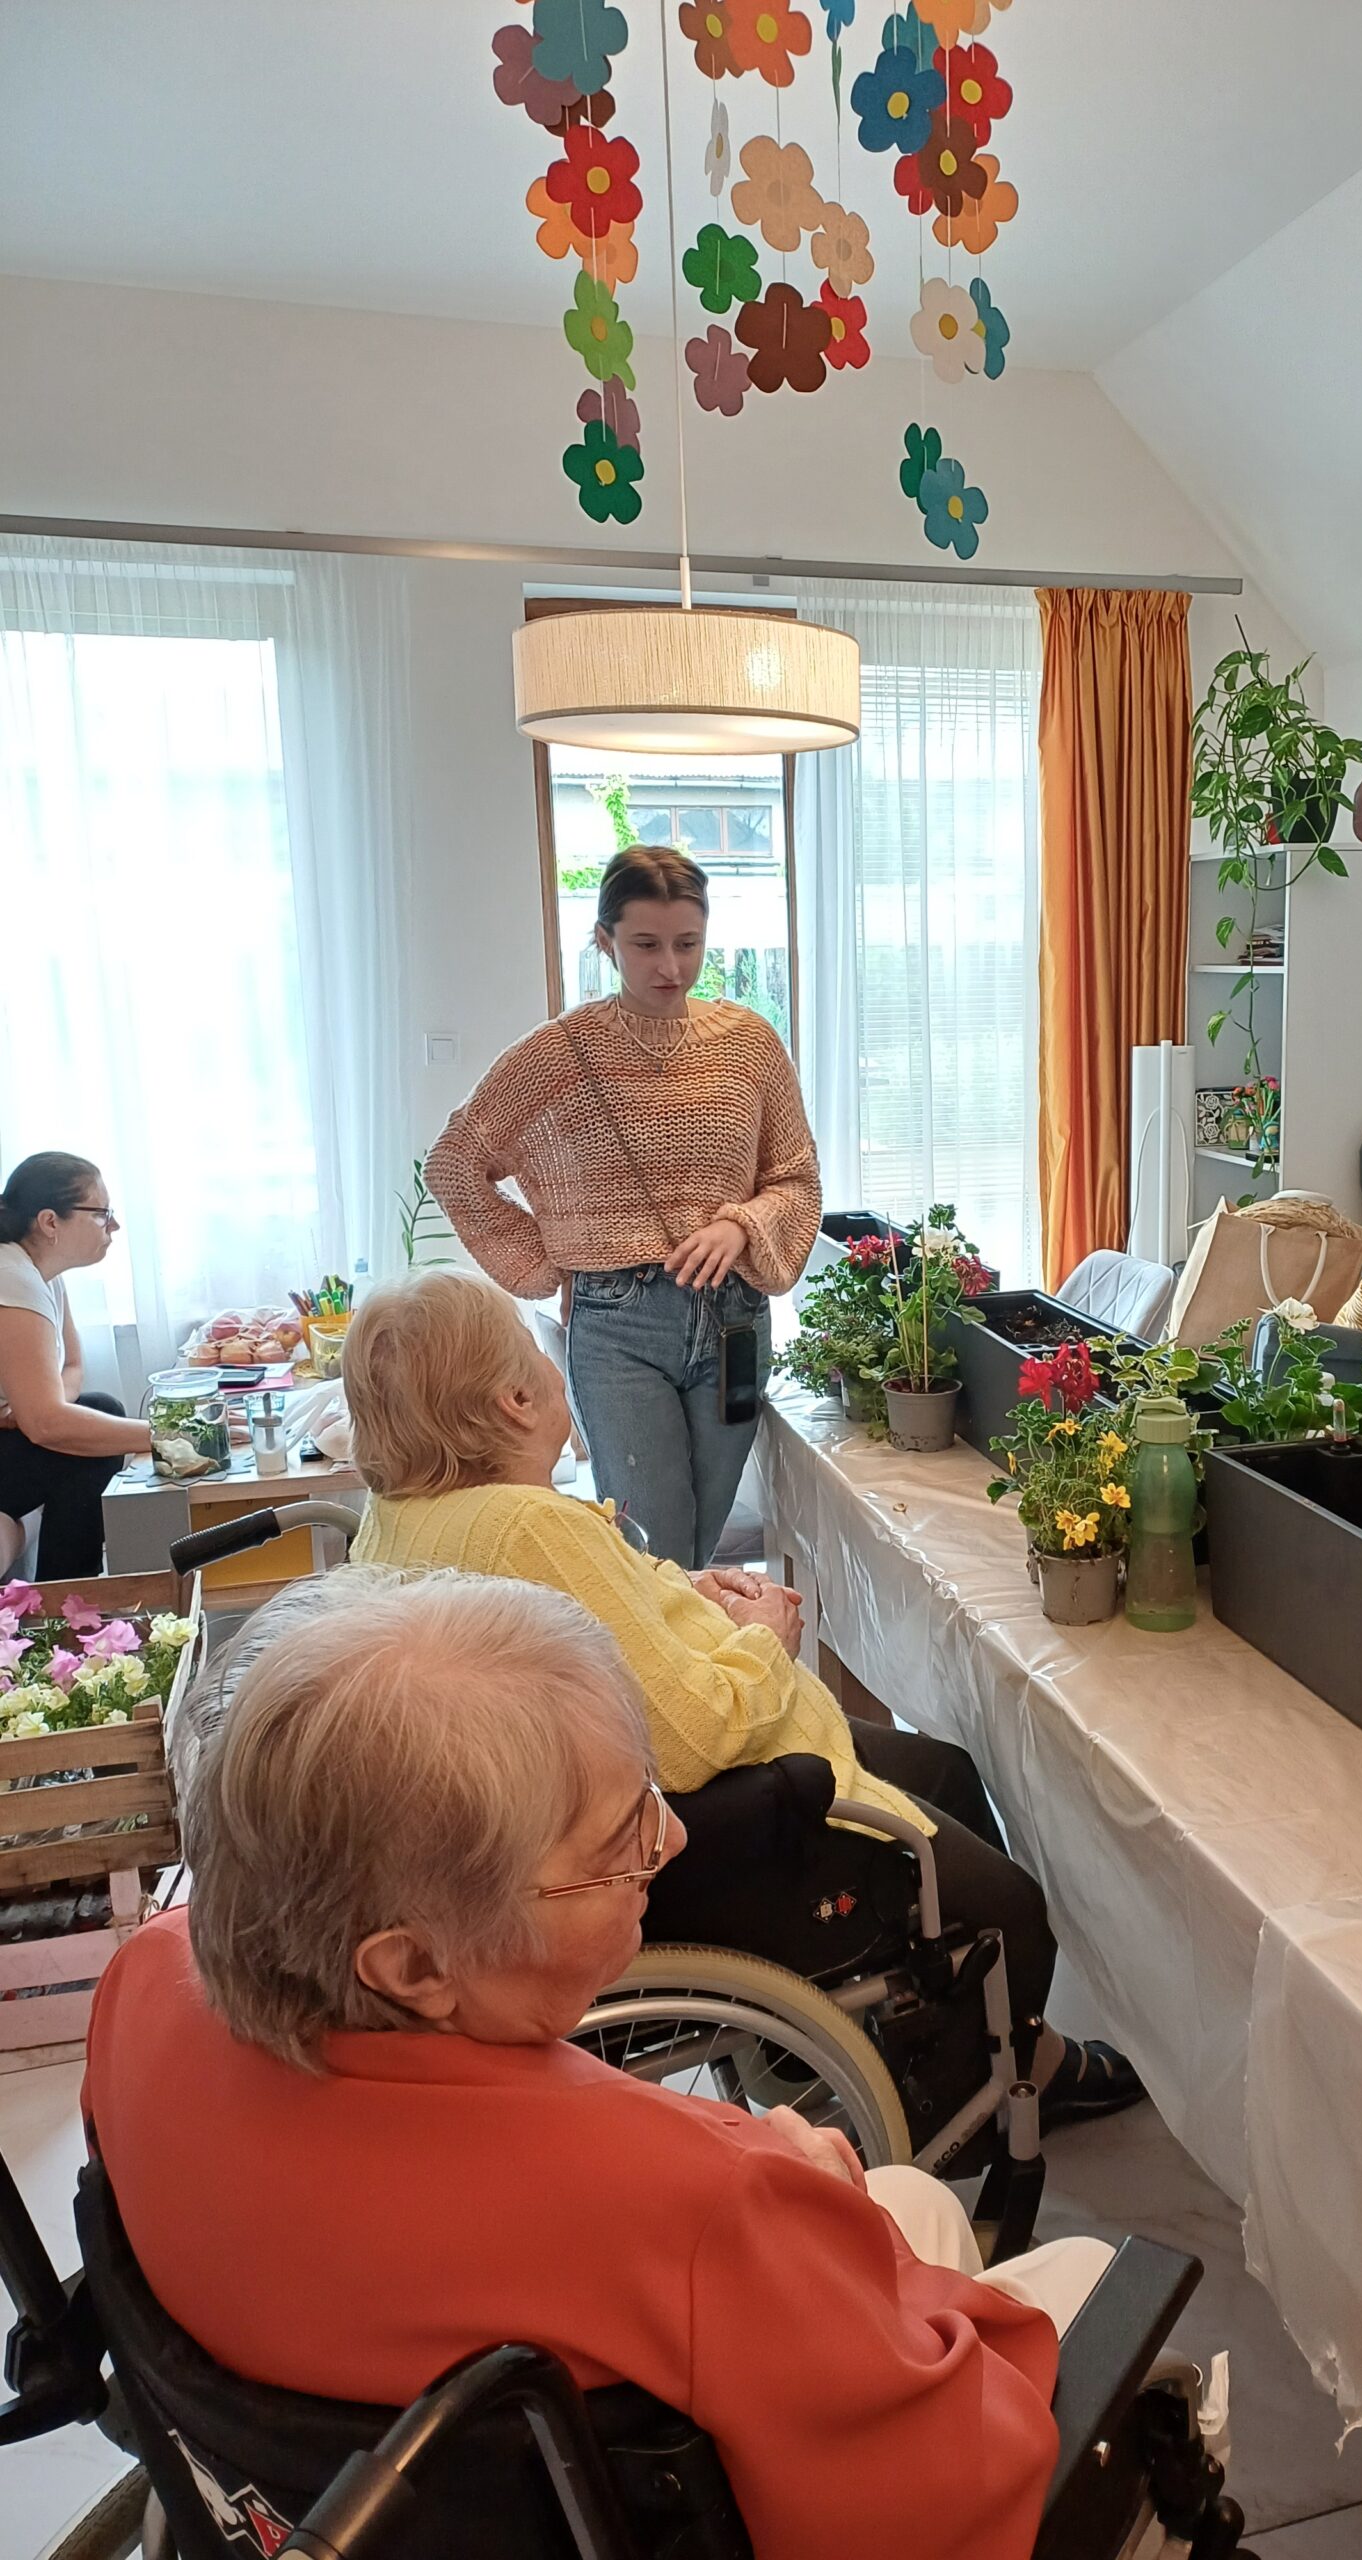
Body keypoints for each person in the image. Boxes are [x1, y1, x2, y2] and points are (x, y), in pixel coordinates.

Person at [83, 1571, 1126, 2560]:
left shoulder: (139, 1988)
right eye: (616, 1842)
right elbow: (929, 2503)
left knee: (913, 2201)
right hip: (676, 2467)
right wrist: (800, 2215)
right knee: (1080, 2271)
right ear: (414, 1965)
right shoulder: (699, 2205)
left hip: (313, 2479)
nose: (671, 1842)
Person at [342, 1268, 1143, 2126]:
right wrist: (767, 1639)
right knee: (1008, 1906)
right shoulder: (531, 1526)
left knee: (946, 1770)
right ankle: (980, 2109)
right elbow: (695, 1738)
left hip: (571, 1807)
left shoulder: (403, 1517)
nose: (554, 1358)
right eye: (535, 1350)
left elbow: (573, 1615)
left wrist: (680, 1590)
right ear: (515, 1402)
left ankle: (981, 2039)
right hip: (710, 1821)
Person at [426, 848, 821, 1569]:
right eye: (645, 944)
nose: (671, 966)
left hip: (735, 1322)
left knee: (702, 1544)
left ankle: (682, 1645)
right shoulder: (558, 1054)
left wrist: (740, 1226)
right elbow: (455, 1164)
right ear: (605, 940)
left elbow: (795, 1178)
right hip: (619, 1329)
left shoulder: (749, 1045)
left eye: (688, 943)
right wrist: (548, 1261)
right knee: (656, 1553)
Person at [0, 1153, 153, 1577]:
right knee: (89, 1443)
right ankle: (68, 1596)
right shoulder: (12, 1278)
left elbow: (73, 1366)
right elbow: (46, 1425)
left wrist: (36, 1408)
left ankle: (68, 1593)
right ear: (50, 1222)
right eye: (102, 1214)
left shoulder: (42, 1275)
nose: (114, 1226)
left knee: (100, 1409)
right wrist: (167, 1437)